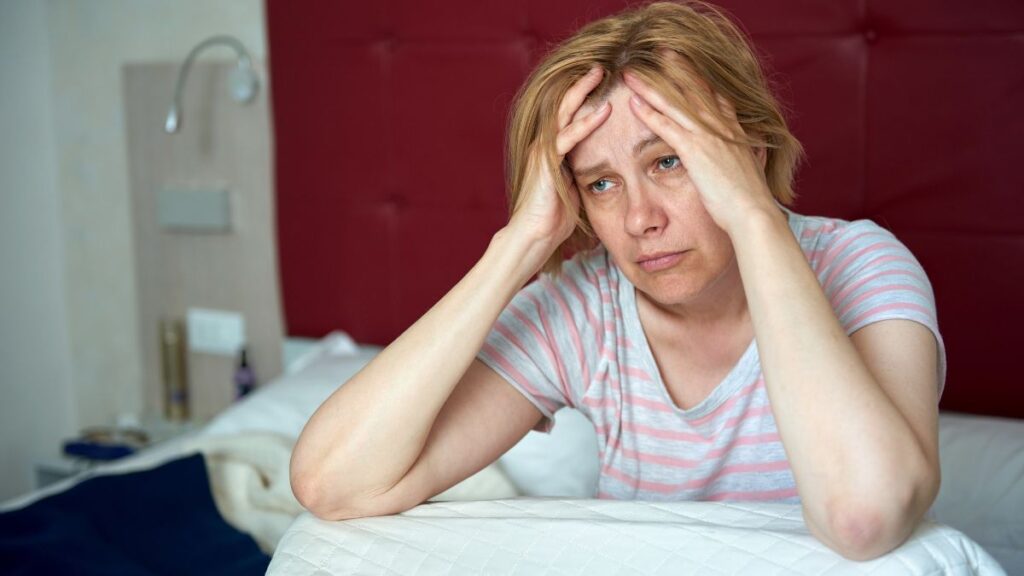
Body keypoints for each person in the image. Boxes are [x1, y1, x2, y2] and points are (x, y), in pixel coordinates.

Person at [289, 1, 944, 562]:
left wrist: (751, 215)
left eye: (670, 162)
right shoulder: (585, 304)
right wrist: (516, 246)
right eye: (601, 183)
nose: (639, 219)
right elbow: (331, 483)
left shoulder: (860, 266)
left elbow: (863, 519)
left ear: (749, 149)